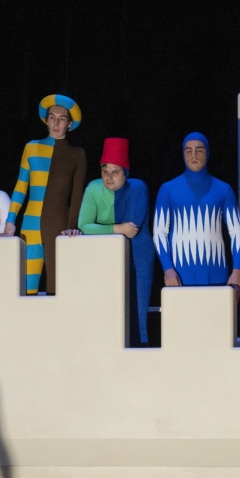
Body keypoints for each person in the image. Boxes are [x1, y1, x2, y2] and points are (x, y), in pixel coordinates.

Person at [4, 95, 87, 295]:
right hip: (29, 226)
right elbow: (20, 186)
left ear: (69, 124)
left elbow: (77, 195)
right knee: (26, 288)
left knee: (57, 289)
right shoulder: (31, 148)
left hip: (59, 227)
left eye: (61, 119)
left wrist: (72, 226)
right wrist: (10, 219)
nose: (56, 124)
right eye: (52, 117)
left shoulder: (77, 154)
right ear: (46, 120)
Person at [77, 138, 154, 344]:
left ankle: (140, 352)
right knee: (108, 312)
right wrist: (116, 228)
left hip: (138, 256)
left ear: (125, 173)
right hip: (107, 257)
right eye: (105, 171)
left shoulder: (137, 188)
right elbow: (84, 226)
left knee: (137, 313)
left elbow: (132, 228)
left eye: (115, 172)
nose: (109, 177)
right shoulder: (94, 188)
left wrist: (106, 229)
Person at [153, 133, 240, 294]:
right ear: (183, 154)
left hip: (217, 275)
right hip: (179, 277)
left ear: (207, 153)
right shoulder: (168, 189)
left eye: (199, 150)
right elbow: (160, 231)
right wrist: (168, 268)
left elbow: (236, 231)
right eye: (188, 151)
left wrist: (237, 271)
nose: (193, 155)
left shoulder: (224, 189)